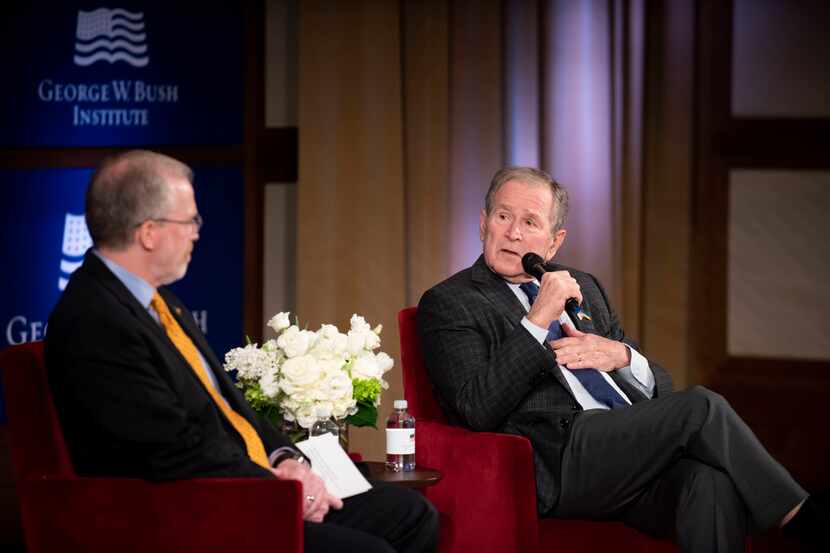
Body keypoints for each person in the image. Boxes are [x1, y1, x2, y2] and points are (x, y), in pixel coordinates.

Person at [417, 166, 827, 552]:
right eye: (503, 217)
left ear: (555, 240)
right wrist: (537, 319)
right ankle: (800, 516)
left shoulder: (584, 287)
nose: (514, 234)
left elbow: (660, 387)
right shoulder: (452, 302)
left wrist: (622, 355)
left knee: (710, 482)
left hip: (624, 449)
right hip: (560, 457)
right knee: (702, 405)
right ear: (483, 221)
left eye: (530, 223)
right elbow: (474, 408)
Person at [45, 150, 438, 553]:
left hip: (254, 480)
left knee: (411, 515)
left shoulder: (163, 304)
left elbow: (231, 410)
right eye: (190, 220)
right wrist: (278, 487)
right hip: (196, 508)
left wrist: (288, 459)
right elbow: (172, 449)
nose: (197, 232)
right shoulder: (95, 319)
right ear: (149, 232)